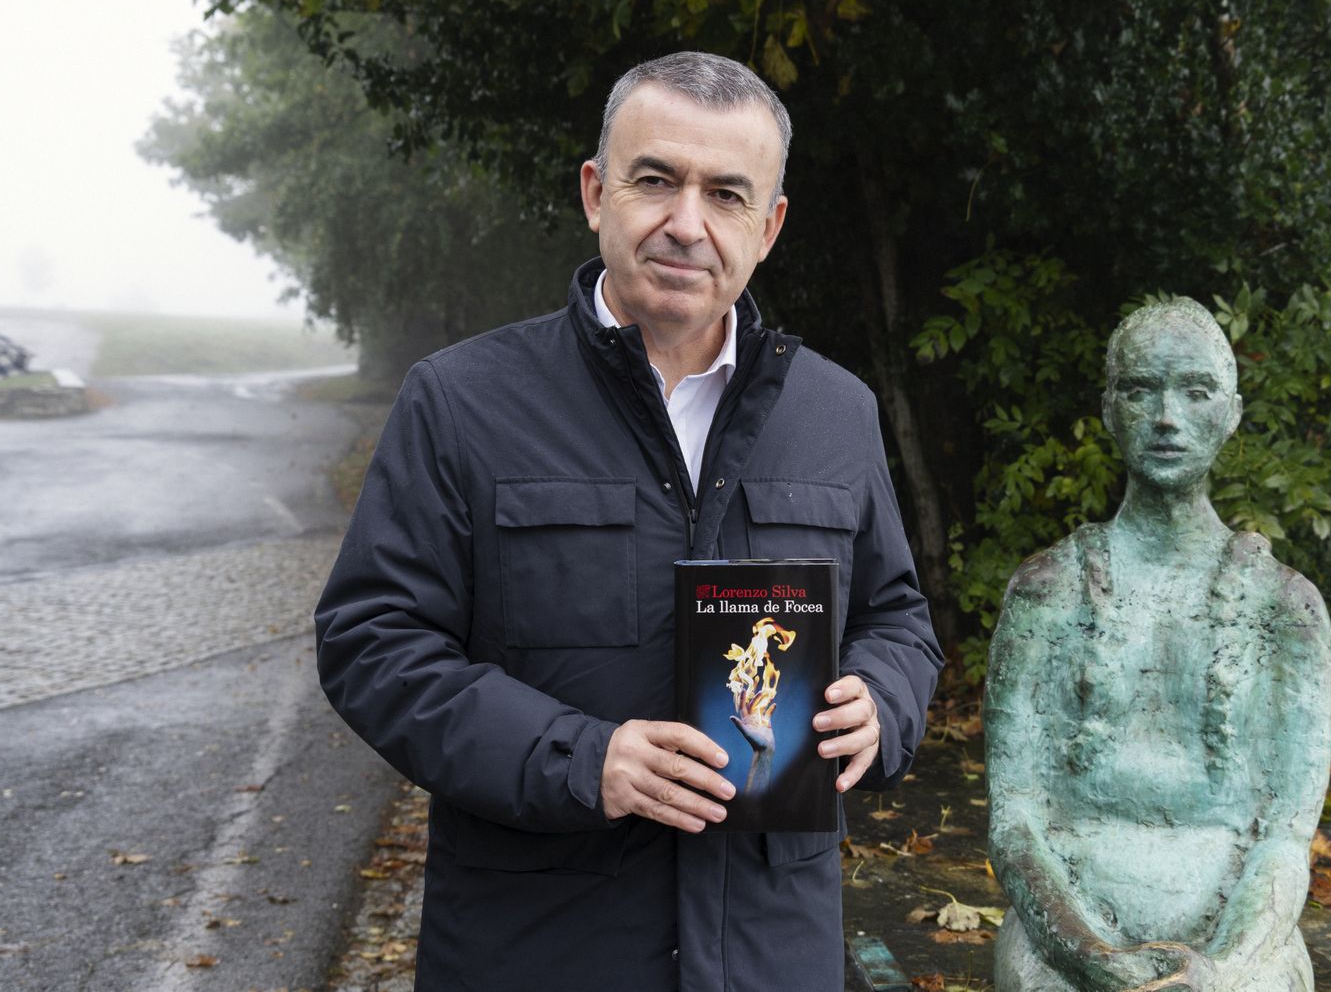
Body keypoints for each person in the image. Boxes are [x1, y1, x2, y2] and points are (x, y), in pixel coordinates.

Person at [314, 51, 942, 991]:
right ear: (596, 193)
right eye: (656, 180)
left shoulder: (836, 412)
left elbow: (899, 619)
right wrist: (582, 756)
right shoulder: (460, 402)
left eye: (726, 194)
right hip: (536, 951)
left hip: (772, 955)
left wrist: (881, 704)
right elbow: (372, 643)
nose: (686, 224)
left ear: (768, 227)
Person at [985, 298, 1331, 991]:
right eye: (1142, 391)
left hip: (1236, 942)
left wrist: (1226, 965)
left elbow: (1284, 836)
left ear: (1231, 412)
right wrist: (1088, 953)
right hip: (1070, 937)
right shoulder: (1046, 592)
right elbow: (1015, 818)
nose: (1168, 417)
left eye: (1196, 391)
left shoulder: (1287, 608)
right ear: (1111, 409)